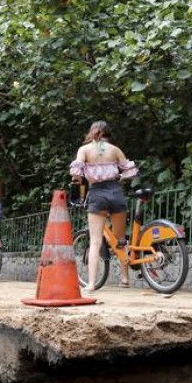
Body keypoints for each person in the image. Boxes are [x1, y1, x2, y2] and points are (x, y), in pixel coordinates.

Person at [69, 121, 139, 291]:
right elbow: (130, 171)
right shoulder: (115, 150)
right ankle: (124, 278)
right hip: (116, 193)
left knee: (95, 241)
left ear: (92, 132)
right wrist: (120, 178)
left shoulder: (84, 150)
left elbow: (75, 173)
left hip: (97, 194)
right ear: (109, 133)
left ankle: (92, 284)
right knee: (120, 239)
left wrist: (78, 179)